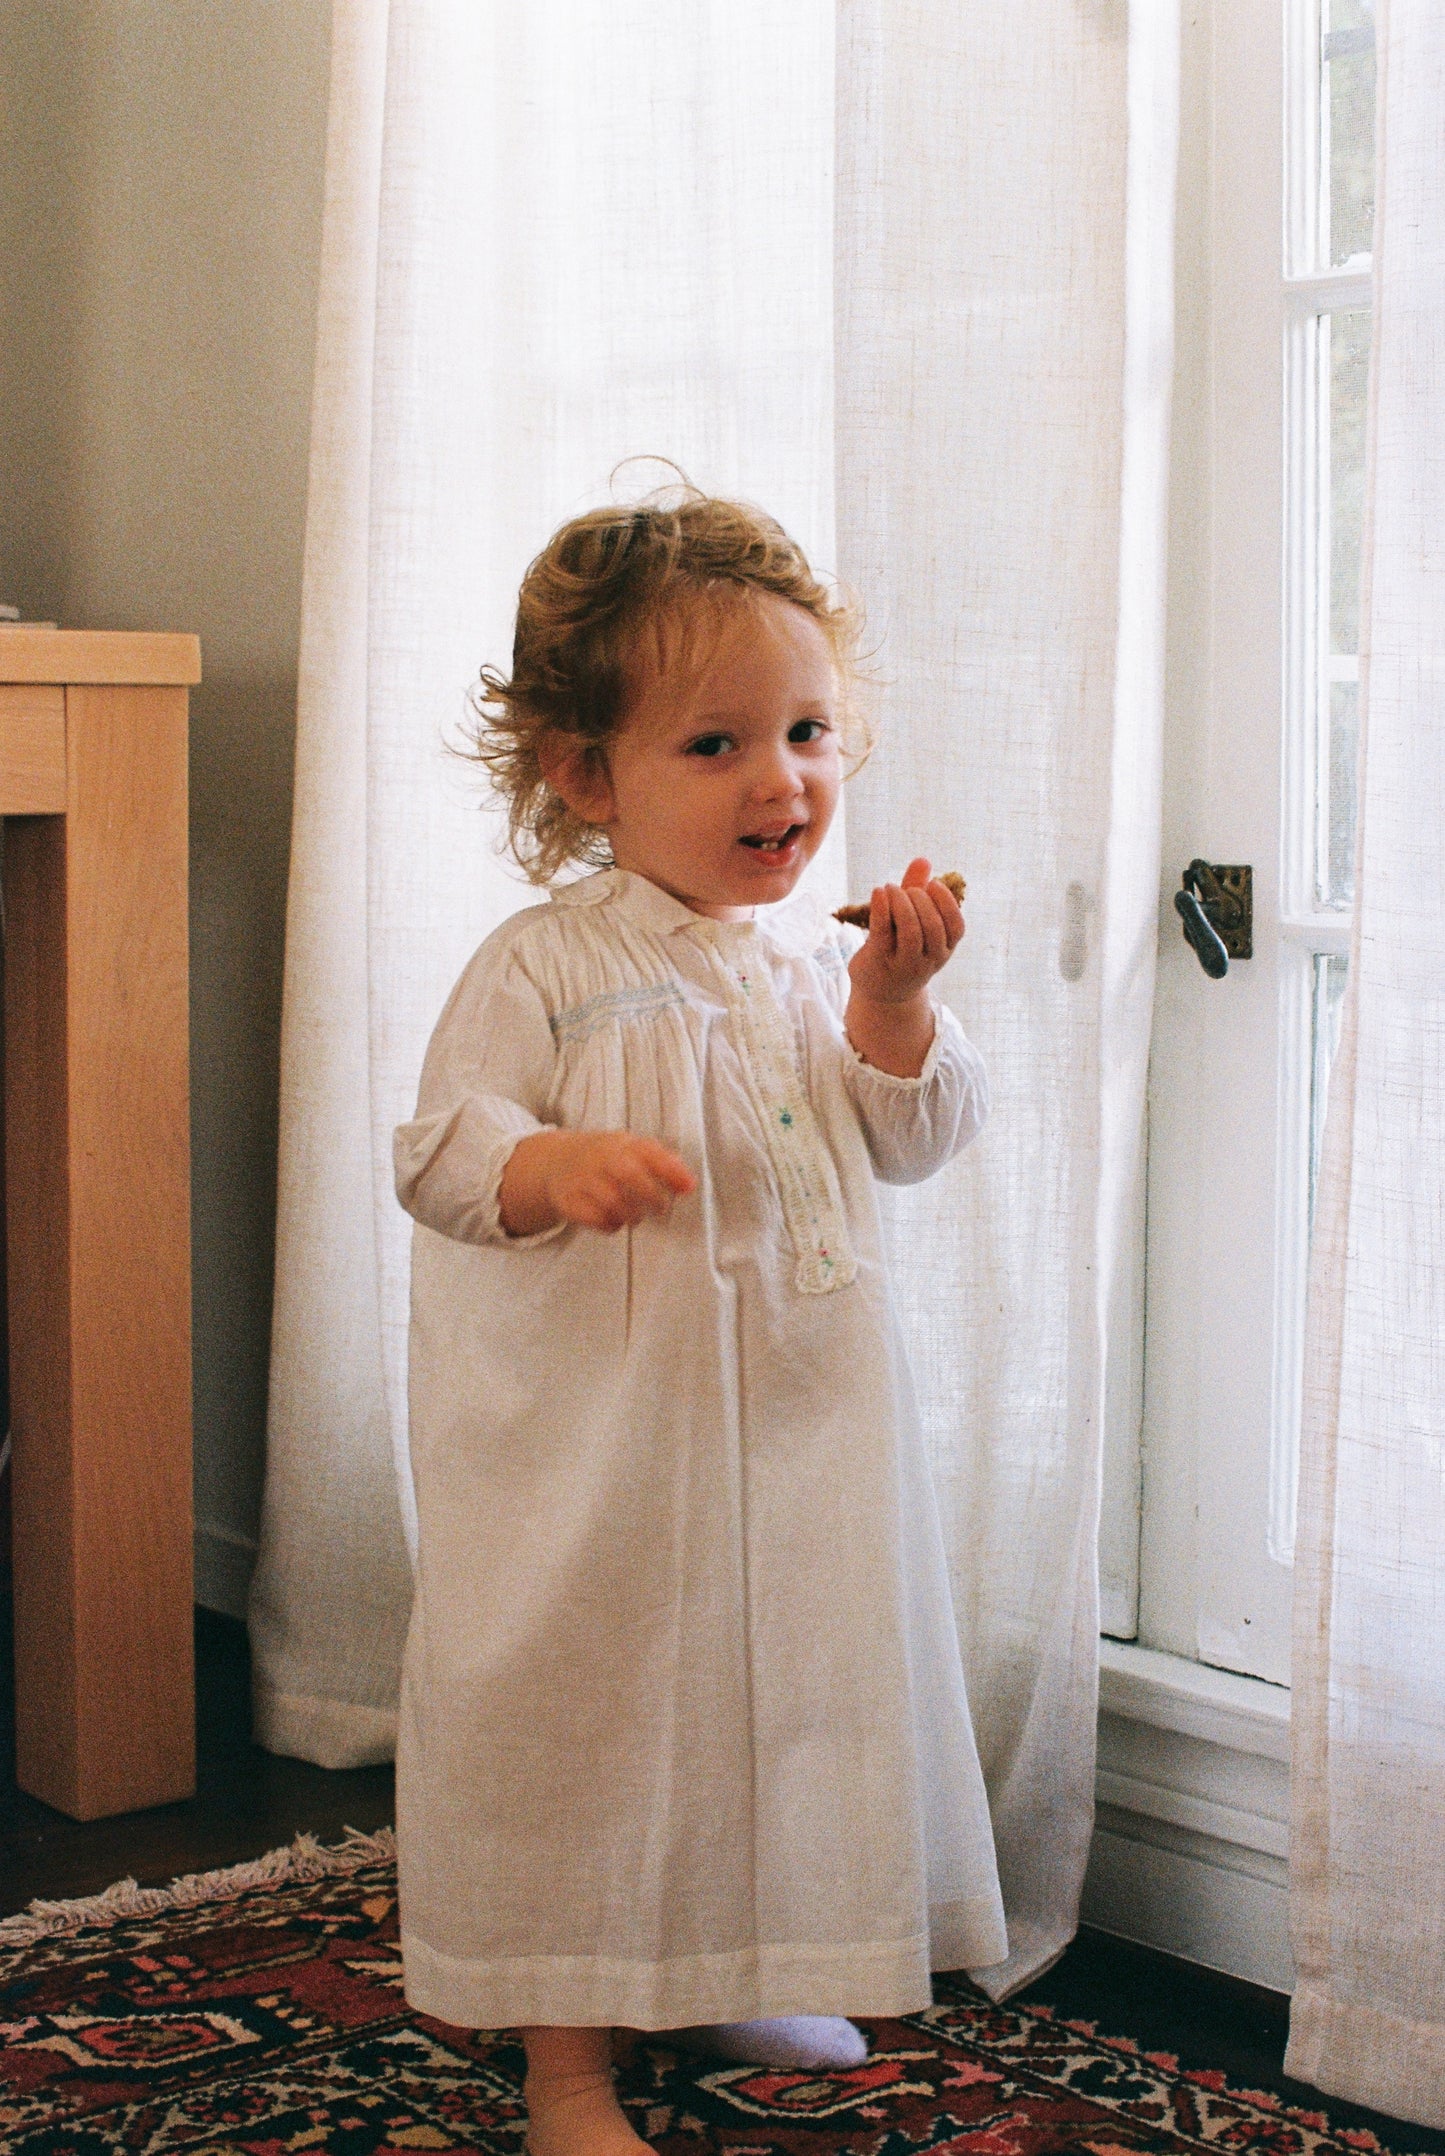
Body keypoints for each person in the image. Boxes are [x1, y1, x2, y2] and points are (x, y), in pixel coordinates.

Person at [393, 486, 1006, 2156]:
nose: (781, 779)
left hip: (793, 1426)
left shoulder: (803, 969)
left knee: (774, 1699)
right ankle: (568, 2058)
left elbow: (914, 1140)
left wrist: (895, 1004)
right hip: (604, 1446)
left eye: (807, 731)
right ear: (585, 775)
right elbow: (440, 1156)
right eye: (717, 743)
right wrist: (552, 1164)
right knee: (589, 1709)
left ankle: (738, 1951)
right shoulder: (544, 966)